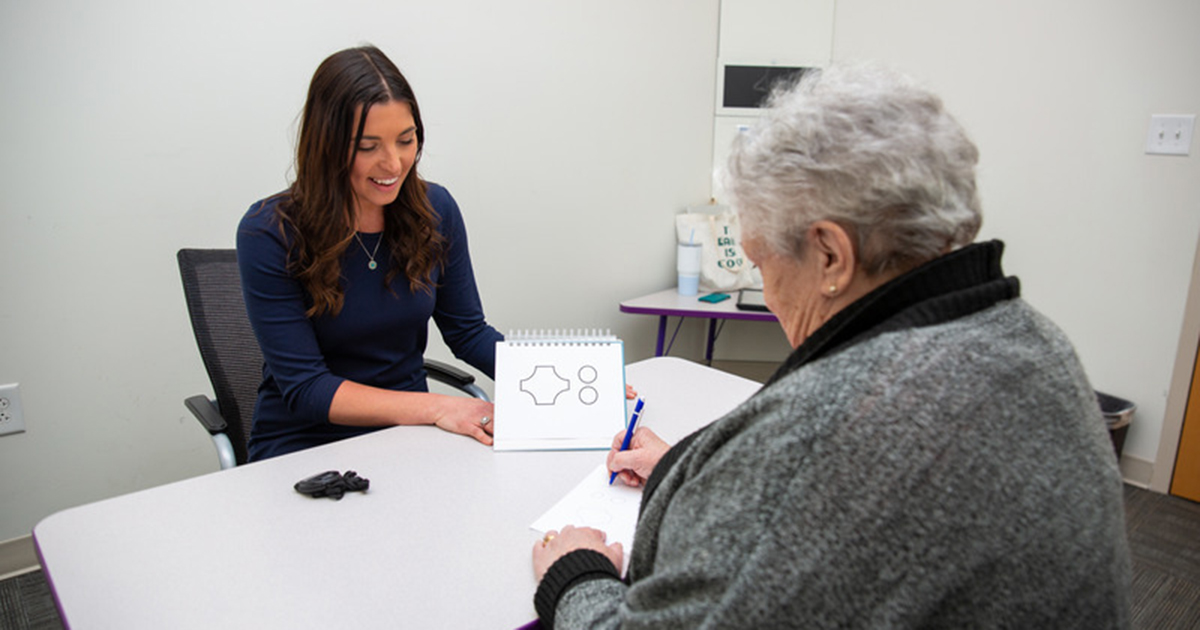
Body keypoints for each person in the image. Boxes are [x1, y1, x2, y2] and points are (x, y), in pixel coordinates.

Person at [531, 63, 1132, 628]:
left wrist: (575, 573)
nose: (765, 292)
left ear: (830, 256)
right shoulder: (1033, 340)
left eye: (760, 259)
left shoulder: (834, 429)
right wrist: (680, 470)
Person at [237, 46, 502, 461]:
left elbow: (469, 332)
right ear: (327, 145)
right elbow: (307, 387)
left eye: (406, 140)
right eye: (368, 146)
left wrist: (559, 382)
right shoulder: (269, 232)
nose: (393, 163)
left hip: (410, 438)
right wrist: (440, 407)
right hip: (303, 447)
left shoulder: (436, 210)